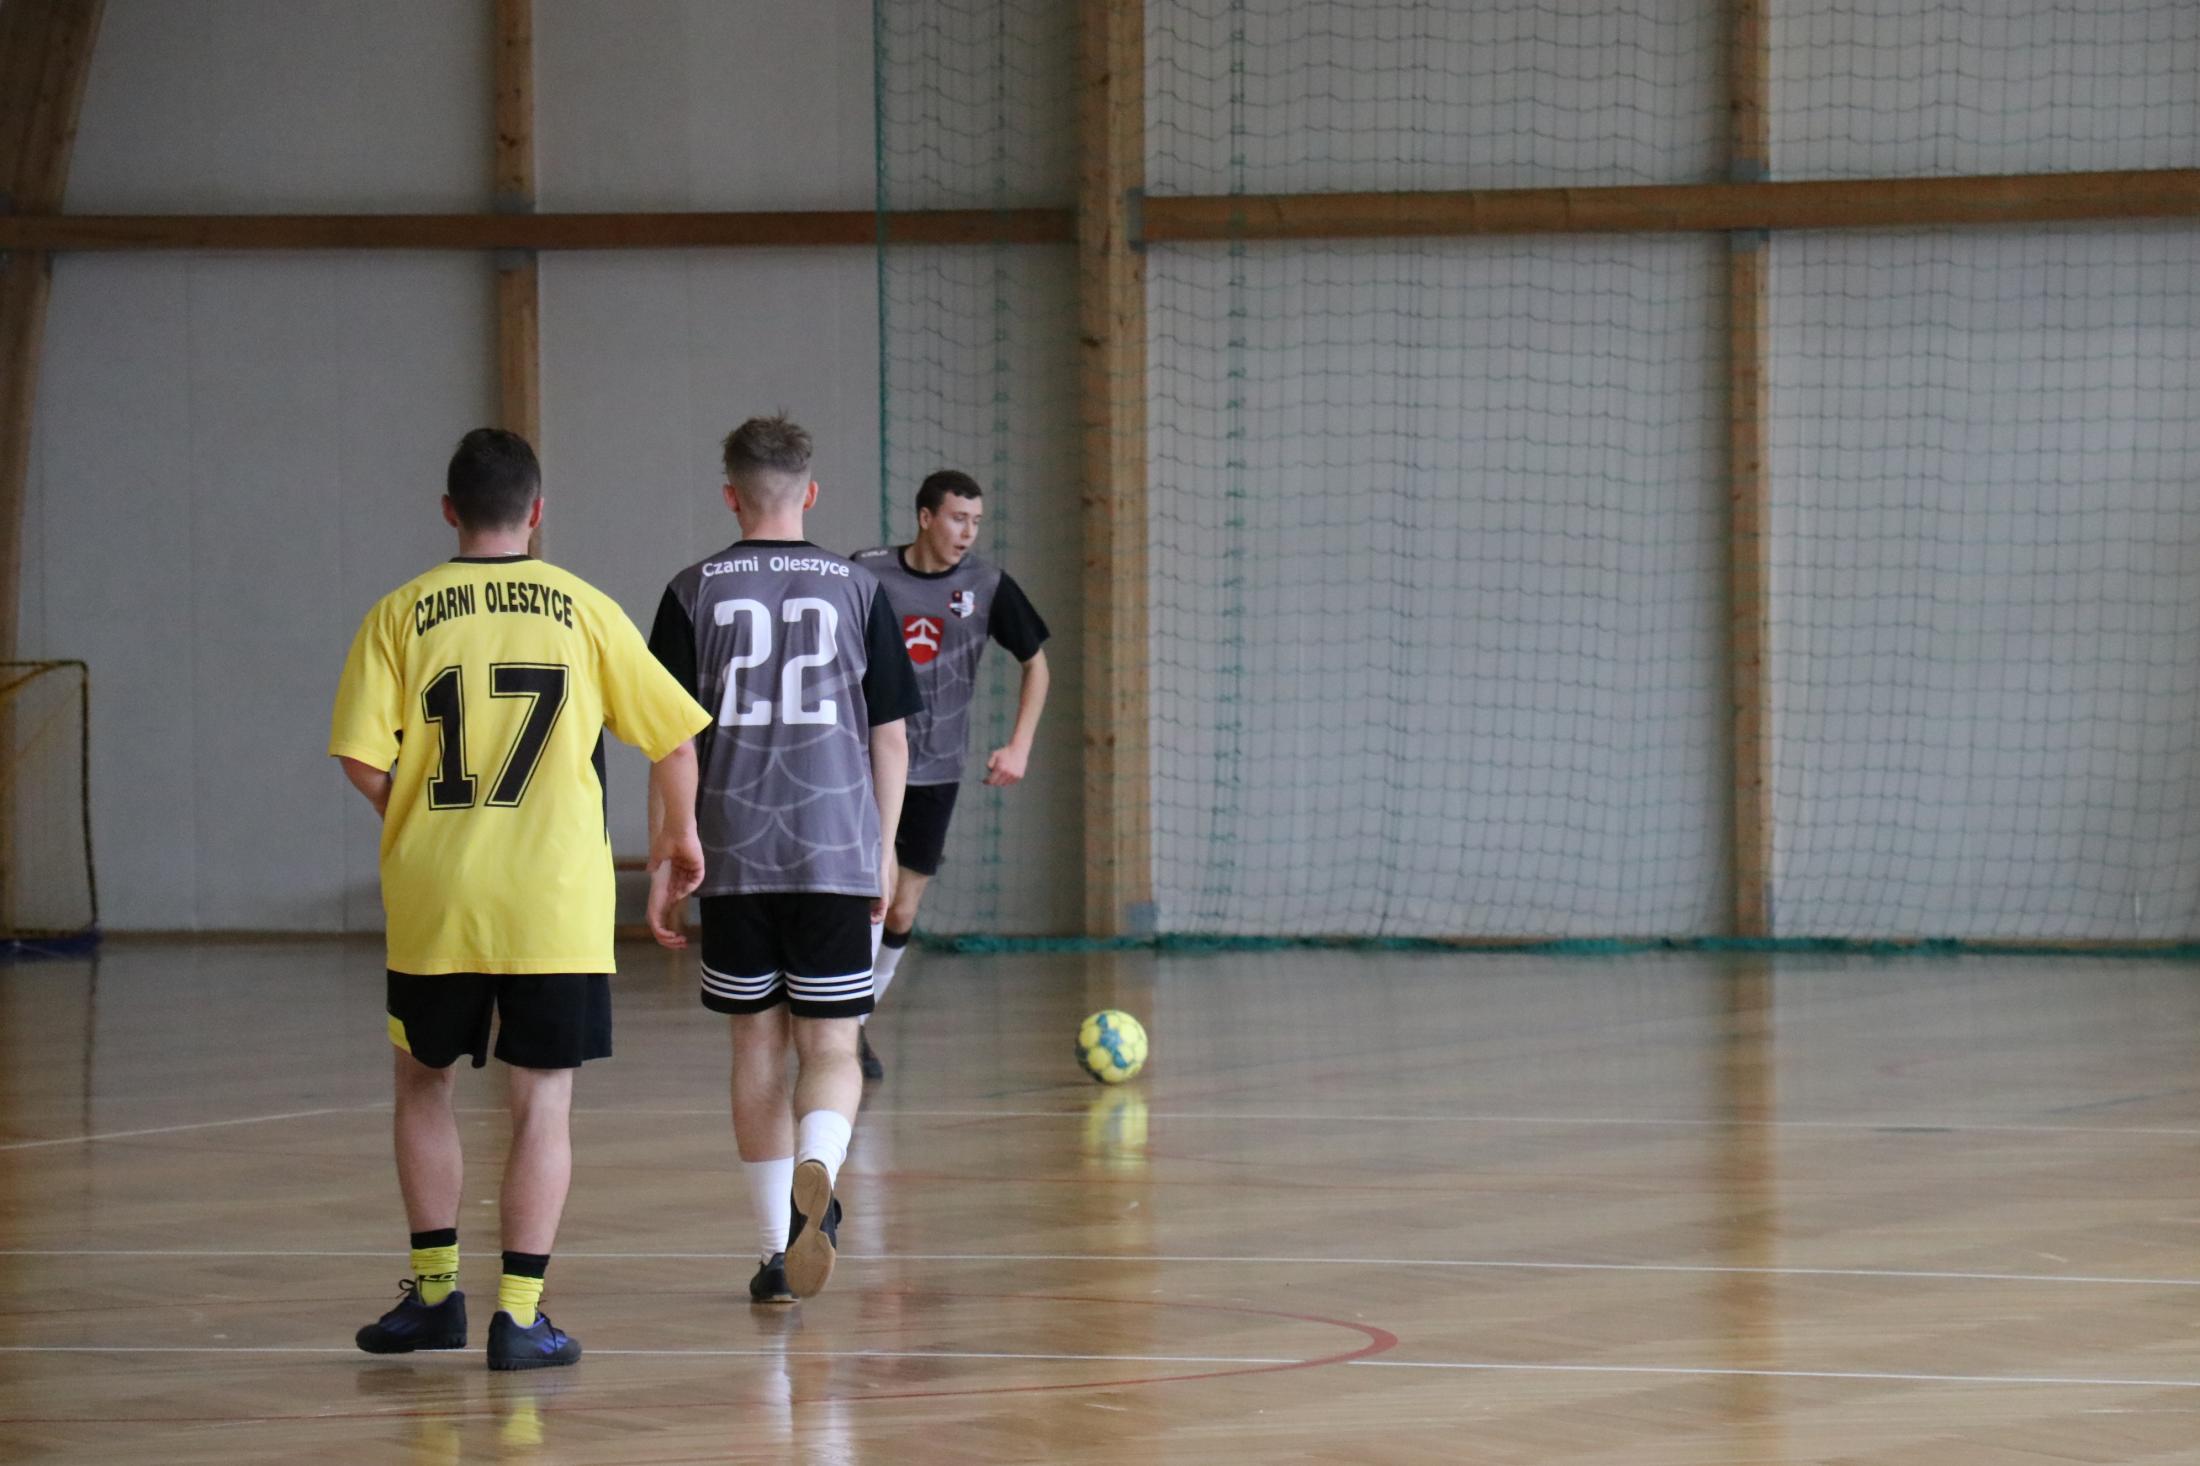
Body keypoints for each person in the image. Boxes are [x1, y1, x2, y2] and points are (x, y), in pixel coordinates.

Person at [330, 428, 710, 1370]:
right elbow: (672, 738)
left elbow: (360, 757)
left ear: (448, 511)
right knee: (542, 1102)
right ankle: (521, 1317)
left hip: (438, 896)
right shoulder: (584, 608)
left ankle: (434, 1299)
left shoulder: (399, 613)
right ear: (537, 512)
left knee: (423, 1084)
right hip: (556, 899)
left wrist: (413, 815)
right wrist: (678, 837)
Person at [646, 414, 921, 1303]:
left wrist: (667, 854)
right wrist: (883, 849)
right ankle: (820, 1166)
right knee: (832, 1044)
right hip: (835, 847)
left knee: (756, 1048)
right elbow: (890, 739)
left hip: (732, 854)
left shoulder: (690, 591)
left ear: (730, 495)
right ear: (811, 492)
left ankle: (775, 1251)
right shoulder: (859, 589)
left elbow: (670, 742)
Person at [850, 470, 1050, 1078]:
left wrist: (1019, 745)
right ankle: (839, 1027)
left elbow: (1037, 664)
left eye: (976, 522)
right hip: (866, 764)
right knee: (871, 897)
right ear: (926, 517)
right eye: (958, 518)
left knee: (902, 911)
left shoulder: (986, 585)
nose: (968, 532)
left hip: (936, 770)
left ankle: (855, 1020)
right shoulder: (867, 573)